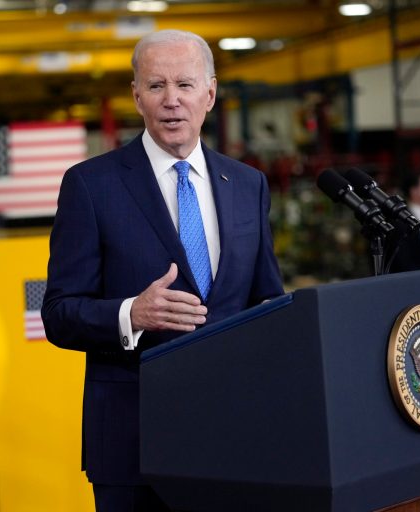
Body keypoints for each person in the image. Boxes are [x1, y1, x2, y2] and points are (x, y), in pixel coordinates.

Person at [41, 29, 284, 512]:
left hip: (233, 441)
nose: (172, 100)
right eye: (156, 86)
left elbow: (268, 305)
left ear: (209, 94)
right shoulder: (90, 186)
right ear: (136, 96)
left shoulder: (248, 185)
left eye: (185, 85)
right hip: (135, 447)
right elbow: (59, 313)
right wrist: (132, 314)